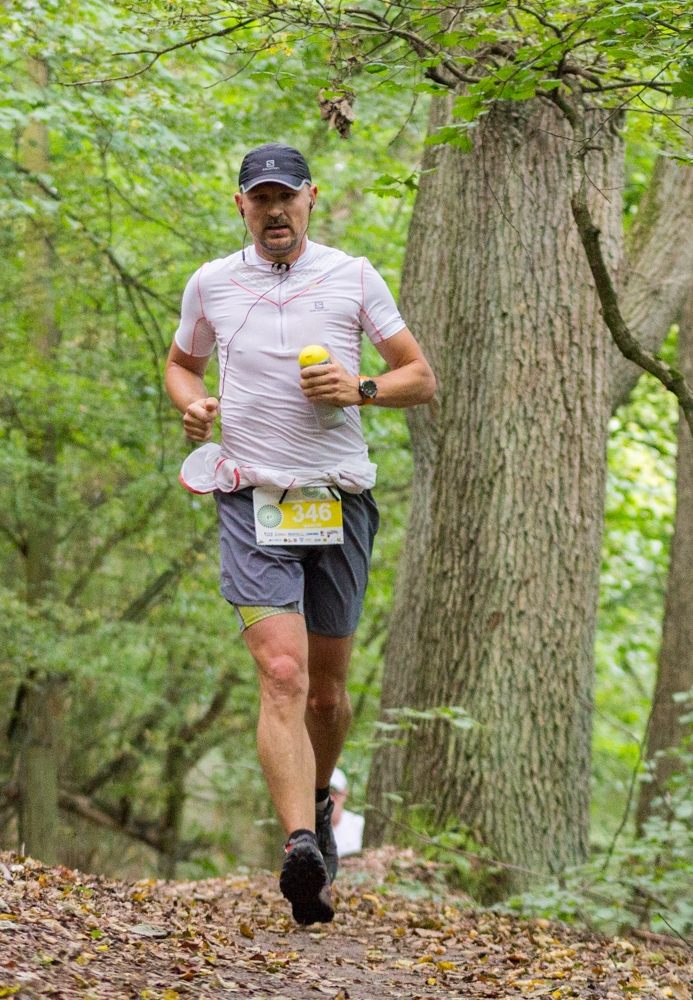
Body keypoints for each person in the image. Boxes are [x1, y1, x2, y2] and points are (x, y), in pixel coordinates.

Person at [165, 142, 436, 926]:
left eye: (286, 196)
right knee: (282, 671)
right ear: (241, 206)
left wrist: (361, 386)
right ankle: (300, 848)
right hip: (252, 497)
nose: (275, 210)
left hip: (338, 498)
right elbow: (181, 364)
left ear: (311, 198)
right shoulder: (212, 283)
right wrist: (192, 403)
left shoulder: (354, 276)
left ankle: (318, 797)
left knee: (325, 691)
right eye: (261, 198)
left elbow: (420, 376)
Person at [329, 768, 364, 859]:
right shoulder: (307, 827)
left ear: (344, 793)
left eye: (333, 792)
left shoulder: (358, 825)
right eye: (324, 793)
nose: (329, 798)